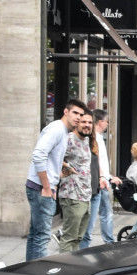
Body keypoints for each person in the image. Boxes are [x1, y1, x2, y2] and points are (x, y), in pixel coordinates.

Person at [25, 98, 86, 261]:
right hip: (41, 188)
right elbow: (38, 156)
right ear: (66, 111)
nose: (78, 118)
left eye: (81, 114)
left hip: (39, 186)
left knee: (35, 236)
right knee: (42, 237)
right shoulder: (56, 129)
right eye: (75, 113)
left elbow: (49, 156)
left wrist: (61, 169)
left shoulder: (62, 131)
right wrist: (46, 186)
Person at [80, 108, 121, 249]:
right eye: (107, 121)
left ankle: (107, 240)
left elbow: (99, 163)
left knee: (98, 215)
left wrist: (107, 176)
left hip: (100, 181)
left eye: (89, 122)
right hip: (97, 183)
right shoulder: (93, 139)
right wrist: (105, 178)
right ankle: (109, 241)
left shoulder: (96, 139)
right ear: (100, 122)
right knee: (103, 214)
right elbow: (95, 162)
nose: (108, 125)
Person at [56, 110, 93, 252]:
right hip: (72, 195)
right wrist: (64, 170)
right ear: (77, 123)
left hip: (85, 195)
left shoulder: (87, 140)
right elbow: (51, 156)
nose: (87, 125)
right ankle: (64, 269)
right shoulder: (68, 139)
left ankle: (73, 268)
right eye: (84, 122)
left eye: (90, 122)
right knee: (69, 237)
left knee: (78, 237)